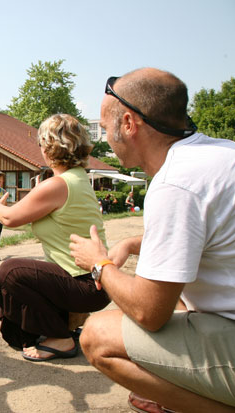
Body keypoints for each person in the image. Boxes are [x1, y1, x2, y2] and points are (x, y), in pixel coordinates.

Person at [69, 68, 235, 412]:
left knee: (98, 335)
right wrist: (131, 243)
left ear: (128, 124)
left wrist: (98, 263)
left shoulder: (175, 183)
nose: (103, 138)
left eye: (104, 125)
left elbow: (149, 313)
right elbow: (202, 236)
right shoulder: (219, 155)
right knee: (179, 299)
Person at [0, 114, 110, 362]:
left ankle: (61, 338)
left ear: (48, 146)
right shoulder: (78, 179)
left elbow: (9, 218)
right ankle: (61, 327)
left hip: (85, 283)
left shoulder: (58, 185)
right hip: (94, 280)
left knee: (11, 270)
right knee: (29, 271)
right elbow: (31, 215)